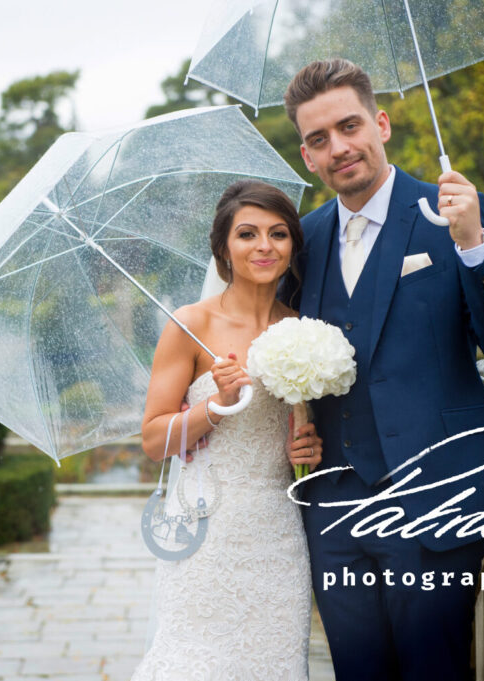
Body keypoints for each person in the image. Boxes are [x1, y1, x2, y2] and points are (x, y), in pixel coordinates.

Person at [282, 59, 484, 681]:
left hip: (437, 502)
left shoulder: (451, 212)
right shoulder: (303, 241)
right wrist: (295, 420)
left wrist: (473, 242)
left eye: (349, 126)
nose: (339, 147)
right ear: (307, 155)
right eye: (320, 139)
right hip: (336, 509)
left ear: (382, 123)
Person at [131, 180, 322, 681]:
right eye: (247, 234)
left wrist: (304, 446)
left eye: (278, 234)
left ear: (292, 247)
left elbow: (296, 442)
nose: (264, 246)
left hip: (278, 535)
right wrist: (215, 406)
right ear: (223, 248)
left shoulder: (304, 332)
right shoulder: (190, 325)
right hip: (205, 530)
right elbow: (153, 440)